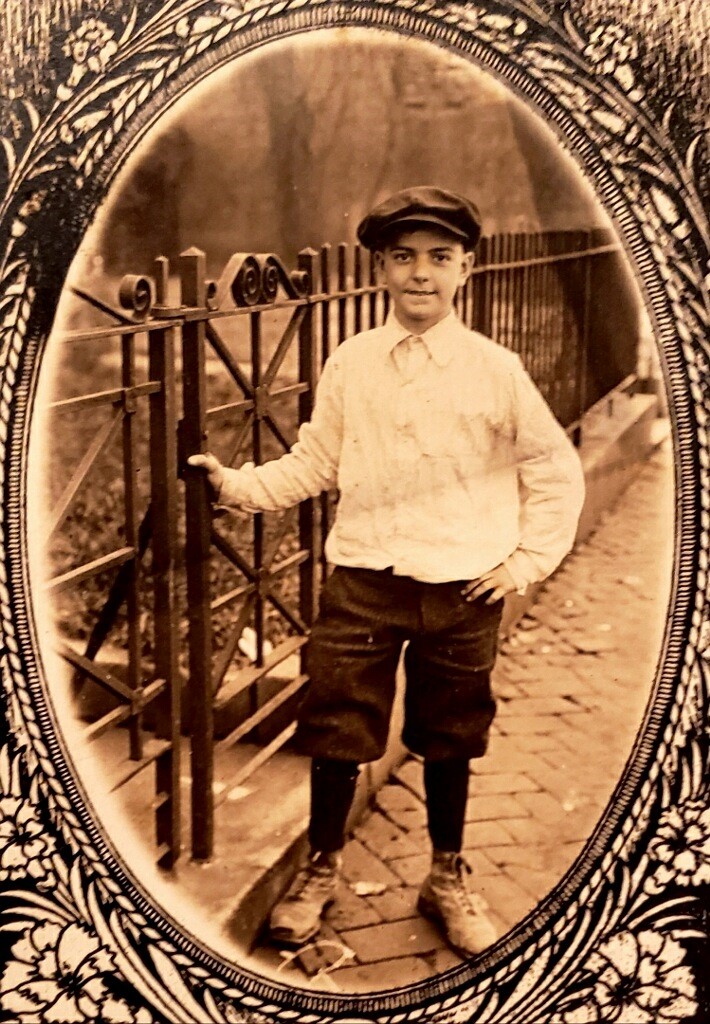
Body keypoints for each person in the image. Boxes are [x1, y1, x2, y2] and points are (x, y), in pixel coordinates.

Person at [188, 186, 585, 957]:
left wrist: (524, 563)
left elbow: (553, 471)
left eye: (439, 257)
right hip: (363, 583)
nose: (420, 275)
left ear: (466, 267)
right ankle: (322, 867)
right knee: (338, 727)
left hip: (465, 588)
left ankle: (446, 873)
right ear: (380, 269)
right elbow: (316, 462)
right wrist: (234, 487)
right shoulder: (353, 362)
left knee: (451, 734)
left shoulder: (496, 371)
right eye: (403, 258)